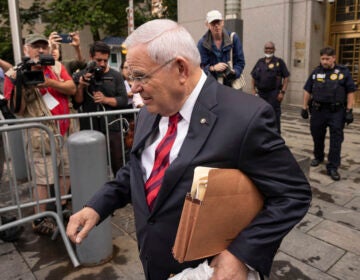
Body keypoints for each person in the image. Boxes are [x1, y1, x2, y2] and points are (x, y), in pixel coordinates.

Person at [66, 19, 311, 280]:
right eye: (130, 78)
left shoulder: (246, 116)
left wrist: (241, 255)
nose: (134, 88)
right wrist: (97, 206)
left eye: (140, 77)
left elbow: (292, 194)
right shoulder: (150, 111)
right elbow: (138, 172)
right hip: (154, 264)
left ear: (180, 69)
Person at [3, 33, 77, 235]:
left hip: (65, 131)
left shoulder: (56, 67)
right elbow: (17, 109)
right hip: (40, 135)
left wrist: (49, 83)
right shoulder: (14, 74)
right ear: (26, 49)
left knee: (65, 174)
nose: (41, 50)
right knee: (43, 180)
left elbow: (71, 88)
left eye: (44, 46)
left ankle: (60, 209)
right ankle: (40, 218)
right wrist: (21, 81)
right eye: (36, 47)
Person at [74, 41, 128, 175]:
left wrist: (106, 100)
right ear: (91, 57)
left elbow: (123, 100)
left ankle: (121, 193)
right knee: (91, 166)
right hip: (89, 128)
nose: (102, 64)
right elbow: (77, 103)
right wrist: (81, 86)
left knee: (118, 164)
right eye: (98, 60)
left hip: (112, 127)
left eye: (105, 60)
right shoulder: (80, 75)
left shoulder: (116, 76)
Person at [301, 46, 355, 181]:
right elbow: (307, 90)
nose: (324, 61)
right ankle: (318, 157)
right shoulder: (316, 72)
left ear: (334, 58)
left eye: (327, 59)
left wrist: (349, 110)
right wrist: (304, 107)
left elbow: (350, 92)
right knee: (317, 135)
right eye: (322, 58)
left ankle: (333, 166)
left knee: (336, 139)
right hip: (318, 111)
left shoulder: (343, 72)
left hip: (337, 112)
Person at [197, 10, 245, 89]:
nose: (216, 26)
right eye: (213, 23)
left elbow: (240, 62)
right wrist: (213, 68)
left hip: (231, 86)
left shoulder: (233, 38)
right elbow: (200, 67)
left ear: (222, 22)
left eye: (218, 22)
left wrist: (234, 72)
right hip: (211, 86)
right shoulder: (202, 43)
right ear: (207, 25)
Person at [250, 41, 290, 134]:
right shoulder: (260, 62)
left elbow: (286, 77)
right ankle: (263, 135)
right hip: (261, 94)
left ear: (274, 49)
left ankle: (276, 137)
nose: (268, 50)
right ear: (264, 49)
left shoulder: (279, 62)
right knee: (261, 115)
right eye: (267, 48)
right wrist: (253, 90)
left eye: (270, 48)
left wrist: (282, 92)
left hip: (274, 94)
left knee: (274, 117)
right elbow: (253, 76)